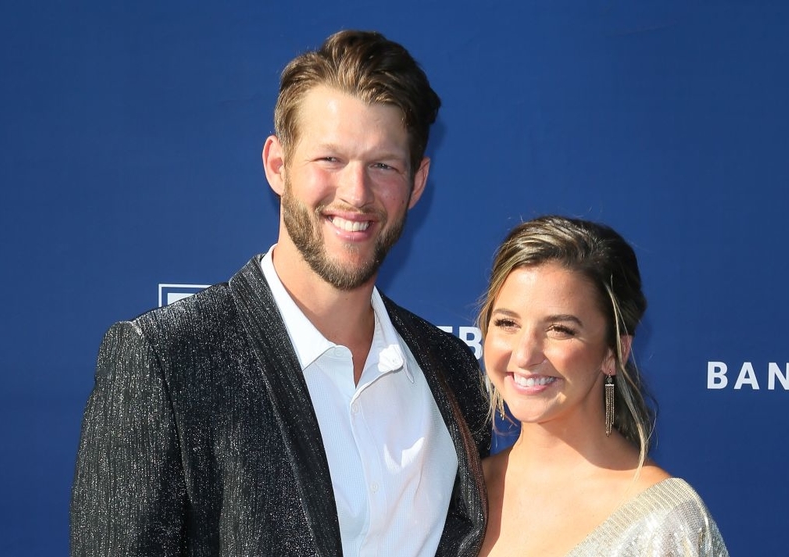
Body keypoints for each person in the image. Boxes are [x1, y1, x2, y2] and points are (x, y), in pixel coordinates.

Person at [71, 30, 489, 557]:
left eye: (383, 165)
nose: (356, 194)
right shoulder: (168, 359)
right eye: (329, 160)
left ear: (417, 182)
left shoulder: (453, 373)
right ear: (277, 166)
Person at [477, 215, 728, 556]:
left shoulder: (665, 521)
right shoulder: (457, 489)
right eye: (507, 322)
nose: (524, 354)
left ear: (614, 352)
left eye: (560, 330)